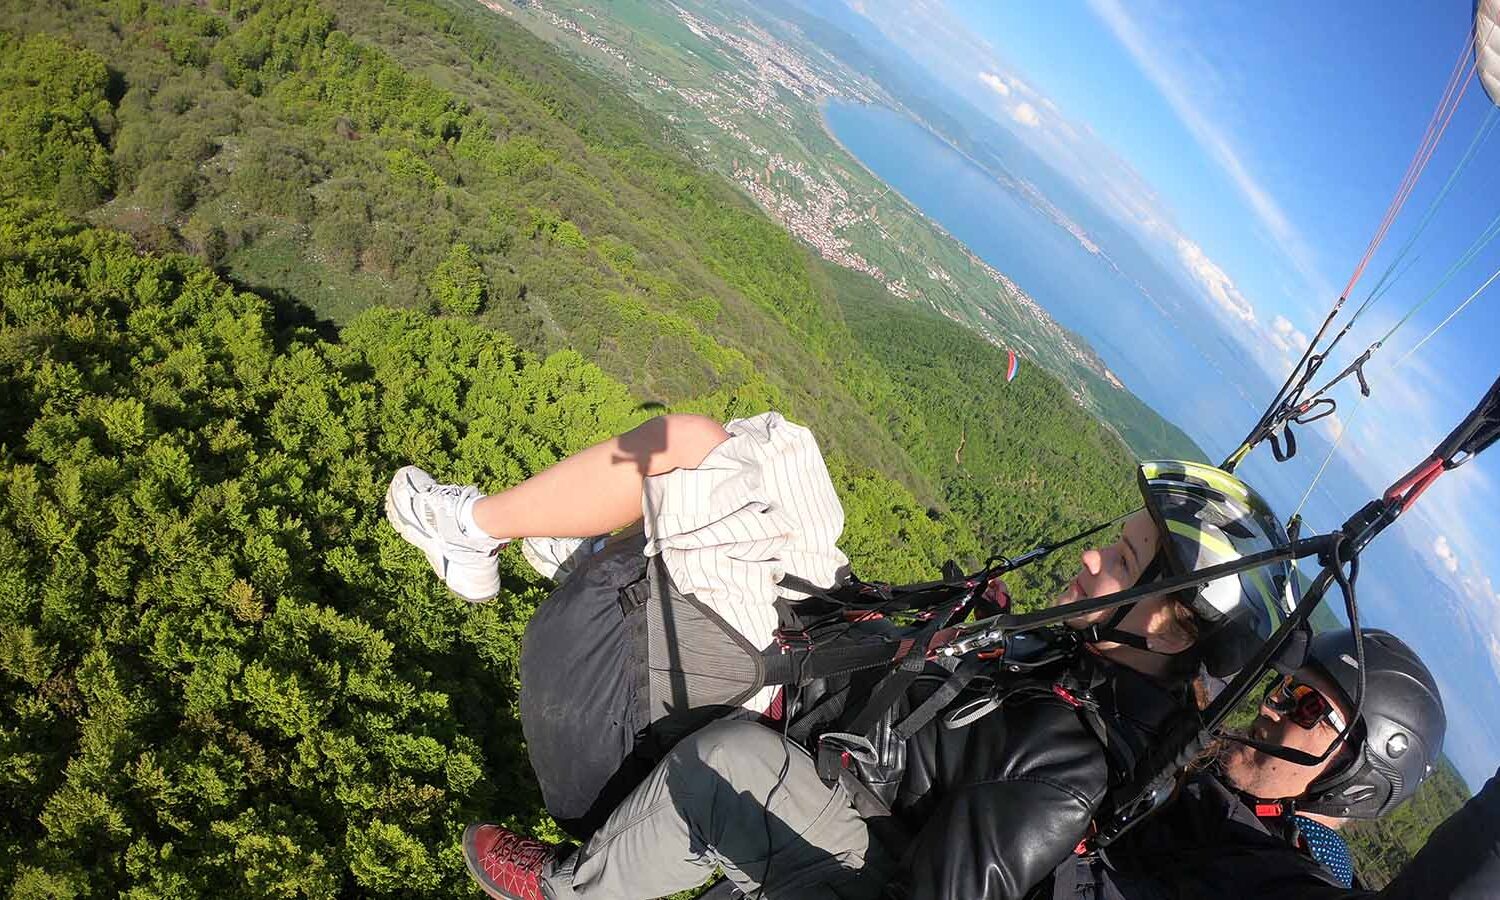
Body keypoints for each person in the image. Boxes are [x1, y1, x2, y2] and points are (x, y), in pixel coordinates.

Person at [387, 413, 1307, 900]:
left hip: (812, 761)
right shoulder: (1073, 662)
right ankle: (568, 531)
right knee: (774, 450)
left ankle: (568, 890)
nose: (1093, 559)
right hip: (829, 682)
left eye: (1127, 561)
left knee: (691, 458)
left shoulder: (1066, 771)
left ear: (1175, 631)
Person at [1047, 627, 1500, 899]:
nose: (1270, 706)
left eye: (1306, 706)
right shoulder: (1217, 779)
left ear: (1356, 777)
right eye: (1283, 688)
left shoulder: (1272, 875)